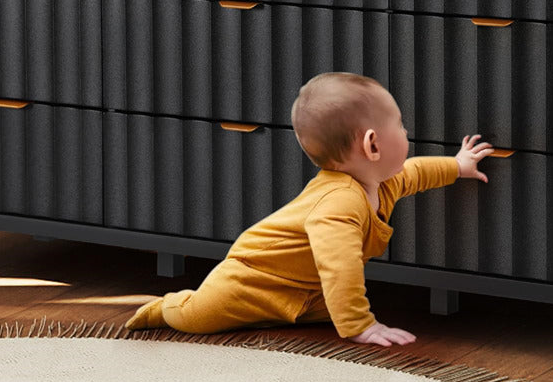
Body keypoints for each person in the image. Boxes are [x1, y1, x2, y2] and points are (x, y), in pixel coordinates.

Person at [126, 72, 494, 347]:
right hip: (251, 280)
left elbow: (413, 173)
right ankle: (166, 306)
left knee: (321, 306)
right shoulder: (339, 203)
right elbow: (340, 267)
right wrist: (359, 325)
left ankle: (286, 316)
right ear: (373, 145)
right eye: (400, 125)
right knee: (199, 318)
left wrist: (457, 166)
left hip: (307, 290)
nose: (407, 132)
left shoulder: (381, 181)